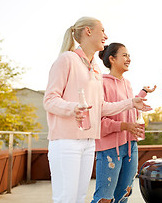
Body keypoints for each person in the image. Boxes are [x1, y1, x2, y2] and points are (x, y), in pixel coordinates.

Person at [43, 17, 151, 203]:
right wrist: (72, 108)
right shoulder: (67, 59)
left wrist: (132, 102)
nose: (106, 36)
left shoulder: (95, 68)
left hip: (88, 141)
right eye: (102, 31)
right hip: (66, 141)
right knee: (66, 199)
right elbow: (50, 100)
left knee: (79, 198)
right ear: (88, 31)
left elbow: (102, 108)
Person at [91, 43, 156, 203]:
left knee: (123, 196)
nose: (129, 59)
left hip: (130, 147)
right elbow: (97, 120)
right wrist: (124, 126)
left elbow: (127, 106)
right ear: (112, 59)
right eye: (125, 55)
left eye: (129, 55)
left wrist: (143, 93)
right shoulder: (101, 83)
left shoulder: (127, 83)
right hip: (109, 150)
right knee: (104, 199)